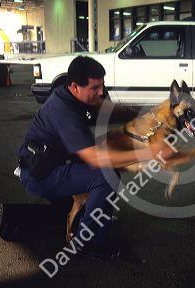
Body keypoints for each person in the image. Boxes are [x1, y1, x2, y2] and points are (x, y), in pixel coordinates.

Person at [17, 56, 174, 257]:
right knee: (106, 175)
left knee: (108, 160)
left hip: (56, 161)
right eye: (95, 88)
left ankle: (90, 212)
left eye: (102, 85)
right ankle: (90, 243)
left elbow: (109, 109)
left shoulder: (76, 95)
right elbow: (94, 159)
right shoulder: (63, 109)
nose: (101, 92)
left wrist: (146, 113)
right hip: (40, 173)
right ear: (74, 86)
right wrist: (150, 153)